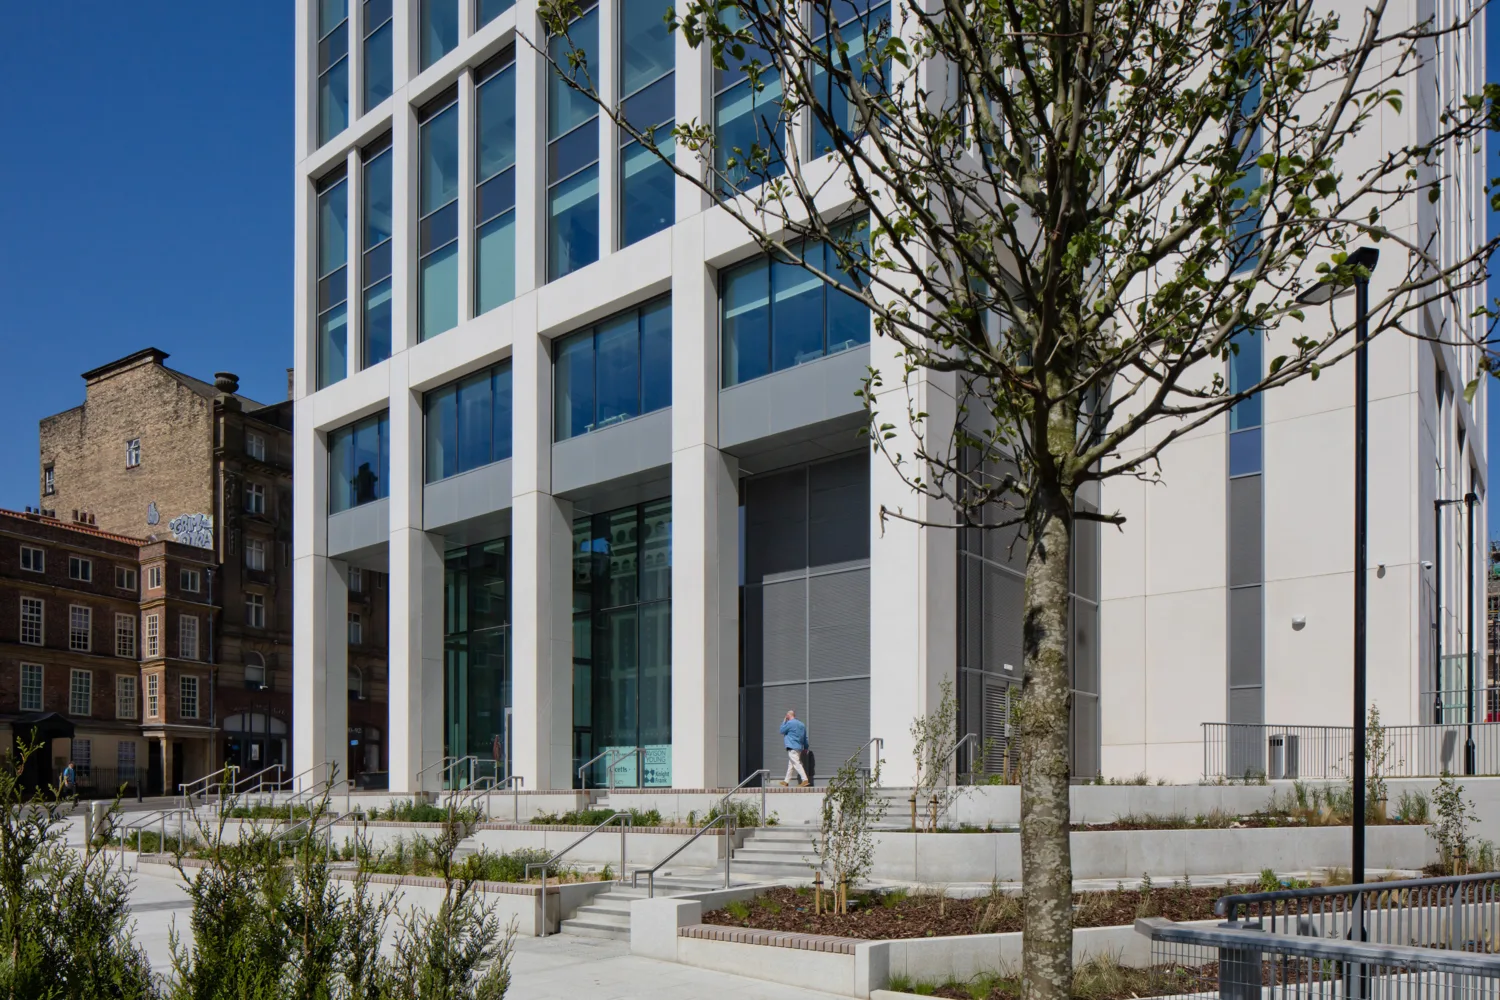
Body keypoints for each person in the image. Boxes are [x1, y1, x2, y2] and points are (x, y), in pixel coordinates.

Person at [778, 710, 810, 786]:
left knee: (796, 763)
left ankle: (805, 779)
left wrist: (784, 721)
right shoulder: (801, 724)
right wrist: (805, 747)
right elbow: (805, 737)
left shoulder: (789, 723)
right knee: (791, 765)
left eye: (786, 716)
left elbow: (781, 731)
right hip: (799, 748)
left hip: (792, 747)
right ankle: (786, 781)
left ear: (788, 716)